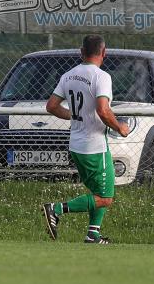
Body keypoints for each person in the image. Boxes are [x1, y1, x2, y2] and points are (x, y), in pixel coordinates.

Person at [43, 35, 130, 244]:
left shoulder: (68, 76)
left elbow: (52, 106)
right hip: (94, 146)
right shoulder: (101, 77)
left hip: (76, 144)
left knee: (97, 192)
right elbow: (103, 109)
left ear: (81, 52)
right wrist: (120, 127)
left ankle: (93, 234)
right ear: (104, 52)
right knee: (105, 198)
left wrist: (73, 115)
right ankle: (55, 209)